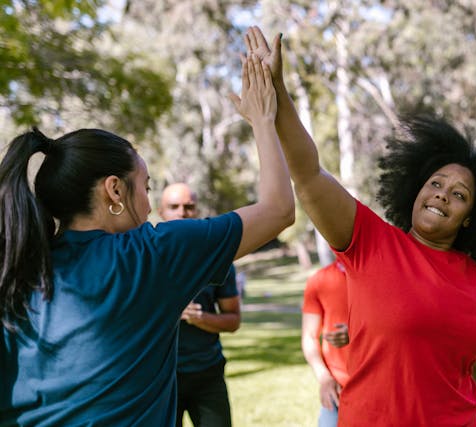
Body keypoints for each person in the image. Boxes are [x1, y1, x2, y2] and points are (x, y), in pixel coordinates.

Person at [243, 26, 476, 426]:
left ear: (471, 217)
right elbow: (309, 174)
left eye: (459, 194)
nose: (442, 195)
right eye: (435, 183)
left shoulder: (471, 276)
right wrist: (278, 92)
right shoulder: (371, 241)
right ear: (416, 189)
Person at [0, 55, 294, 426]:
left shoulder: (14, 269)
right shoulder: (152, 256)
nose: (149, 203)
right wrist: (264, 120)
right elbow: (279, 209)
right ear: (114, 191)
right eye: (146, 187)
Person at [158, 183, 240, 427]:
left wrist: (200, 318)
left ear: (197, 211)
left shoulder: (216, 260)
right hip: (162, 380)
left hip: (208, 375)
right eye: (174, 207)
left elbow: (234, 320)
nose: (182, 213)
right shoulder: (144, 257)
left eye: (189, 207)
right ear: (160, 211)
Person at [301, 260, 349, 427]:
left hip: (382, 387)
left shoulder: (385, 273)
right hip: (337, 388)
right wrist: (324, 378)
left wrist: (359, 334)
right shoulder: (319, 280)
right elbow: (309, 336)